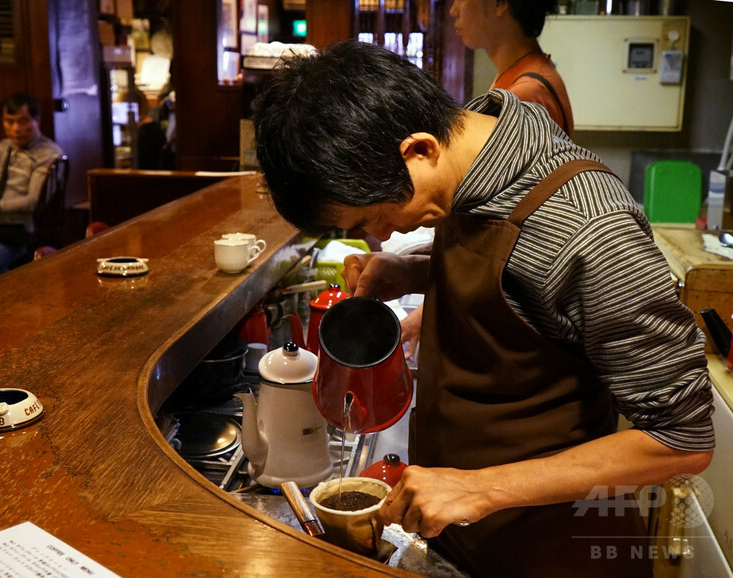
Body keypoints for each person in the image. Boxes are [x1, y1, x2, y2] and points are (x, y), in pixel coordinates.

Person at [252, 41, 714, 577]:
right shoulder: (466, 158)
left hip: (553, 553)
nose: (383, 234)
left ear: (419, 150)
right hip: (464, 539)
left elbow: (682, 441)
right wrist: (415, 270)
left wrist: (479, 488)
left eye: (375, 216)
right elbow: (522, 280)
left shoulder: (591, 228)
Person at [400, 0, 573, 357]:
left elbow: (510, 238)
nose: (453, 11)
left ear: (499, 4)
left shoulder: (526, 95)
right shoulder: (517, 78)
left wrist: (429, 310)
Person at [0, 92, 64, 281]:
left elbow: (33, 202)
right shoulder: (1, 147)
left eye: (23, 121)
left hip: (20, 230)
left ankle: (17, 294)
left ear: (37, 121)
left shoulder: (48, 154)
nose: (16, 128)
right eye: (9, 121)